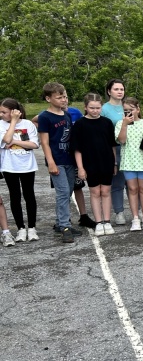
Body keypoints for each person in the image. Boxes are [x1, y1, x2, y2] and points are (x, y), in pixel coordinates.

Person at [37, 82, 83, 242]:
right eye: (59, 97)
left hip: (69, 159)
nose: (64, 100)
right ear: (48, 98)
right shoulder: (45, 117)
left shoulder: (67, 114)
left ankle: (59, 223)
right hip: (56, 160)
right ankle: (65, 226)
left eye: (65, 96)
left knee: (68, 191)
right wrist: (50, 162)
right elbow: (44, 142)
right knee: (63, 193)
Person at [72, 93, 117, 236]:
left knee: (105, 191)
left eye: (98, 108)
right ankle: (98, 222)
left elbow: (112, 145)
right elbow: (77, 149)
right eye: (92, 108)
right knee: (95, 192)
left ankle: (107, 221)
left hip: (106, 162)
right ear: (85, 107)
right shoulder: (80, 124)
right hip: (89, 163)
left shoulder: (107, 122)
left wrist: (114, 163)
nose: (95, 110)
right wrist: (80, 168)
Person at [0, 98, 39, 242]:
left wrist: (15, 142)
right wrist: (14, 123)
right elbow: (5, 140)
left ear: (14, 112)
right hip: (10, 166)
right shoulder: (0, 125)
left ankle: (32, 228)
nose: (1, 115)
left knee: (29, 195)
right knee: (15, 196)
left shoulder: (28, 124)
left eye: (4, 112)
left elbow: (34, 144)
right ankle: (21, 229)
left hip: (27, 166)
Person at [115, 97, 143, 231]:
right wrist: (125, 124)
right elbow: (122, 140)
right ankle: (135, 218)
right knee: (132, 189)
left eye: (131, 110)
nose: (129, 113)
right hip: (129, 161)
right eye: (126, 110)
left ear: (138, 109)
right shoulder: (120, 123)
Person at [101, 78, 128, 226]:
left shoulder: (128, 106)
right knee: (117, 182)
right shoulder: (104, 109)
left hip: (131, 149)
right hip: (114, 148)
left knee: (132, 182)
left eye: (121, 89)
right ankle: (119, 212)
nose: (119, 92)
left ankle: (138, 213)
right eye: (116, 89)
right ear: (109, 91)